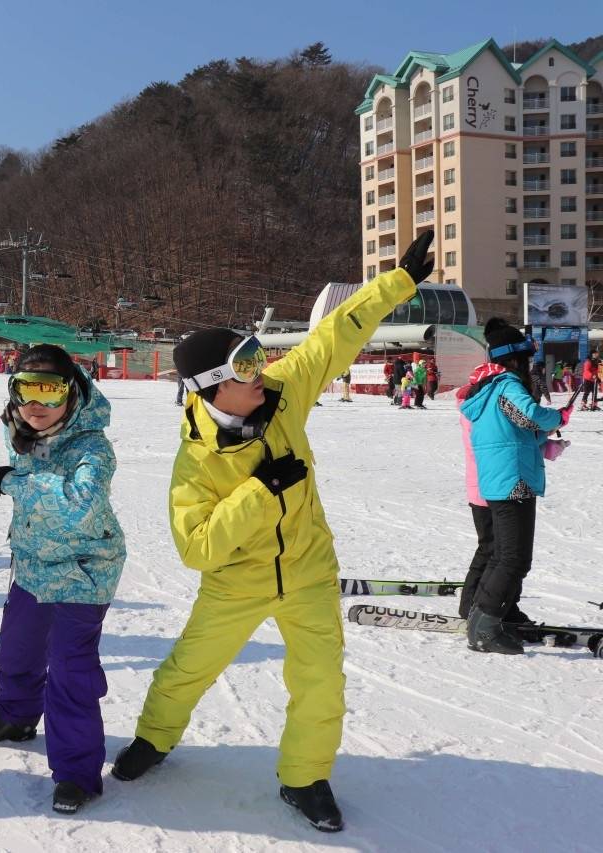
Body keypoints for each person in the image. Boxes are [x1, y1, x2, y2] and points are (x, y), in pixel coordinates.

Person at [110, 231, 436, 834]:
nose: (262, 372)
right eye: (246, 367)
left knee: (320, 680)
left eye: (257, 356)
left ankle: (305, 778)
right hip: (237, 582)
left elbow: (335, 334)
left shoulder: (283, 394)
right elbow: (196, 546)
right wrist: (263, 492)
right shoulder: (197, 461)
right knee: (187, 670)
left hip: (309, 569)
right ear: (212, 385)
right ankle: (153, 740)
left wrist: (400, 282)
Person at [0, 345, 125, 814]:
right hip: (34, 562)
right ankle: (16, 715)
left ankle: (77, 770)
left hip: (83, 568)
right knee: (16, 649)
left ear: (72, 394)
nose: (37, 404)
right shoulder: (19, 431)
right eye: (25, 390)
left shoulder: (92, 447)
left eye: (50, 392)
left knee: (70, 671)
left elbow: (81, 501)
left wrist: (15, 483)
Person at [458, 319, 570, 654]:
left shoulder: (490, 388)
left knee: (504, 557)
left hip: (502, 479)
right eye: (526, 360)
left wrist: (548, 431)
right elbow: (531, 415)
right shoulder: (507, 385)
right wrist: (557, 419)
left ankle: (489, 618)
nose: (529, 367)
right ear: (515, 360)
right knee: (513, 559)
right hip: (513, 482)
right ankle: (485, 627)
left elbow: (519, 429)